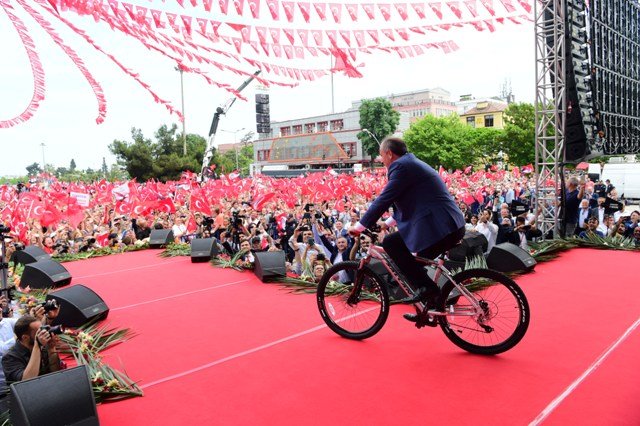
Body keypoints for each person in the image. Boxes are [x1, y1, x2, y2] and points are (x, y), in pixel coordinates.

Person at [348, 137, 465, 327]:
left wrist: (360, 226)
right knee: (411, 261)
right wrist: (387, 223)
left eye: (381, 155)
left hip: (441, 227)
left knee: (392, 244)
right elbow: (411, 202)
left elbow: (385, 198)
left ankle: (429, 292)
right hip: (445, 225)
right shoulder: (409, 163)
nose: (381, 160)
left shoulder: (401, 167)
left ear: (389, 153)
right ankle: (429, 306)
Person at [2, 314, 62, 385]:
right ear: (25, 338)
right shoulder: (10, 358)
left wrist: (51, 349)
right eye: (38, 332)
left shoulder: (43, 347)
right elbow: (27, 381)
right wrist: (37, 345)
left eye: (42, 329)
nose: (43, 333)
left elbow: (55, 372)